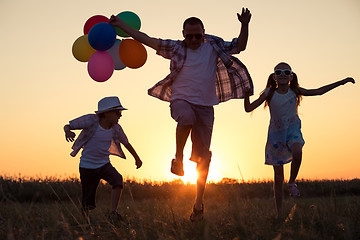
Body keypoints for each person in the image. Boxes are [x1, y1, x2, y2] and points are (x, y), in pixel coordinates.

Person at [109, 8, 253, 221]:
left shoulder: (213, 44)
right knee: (186, 118)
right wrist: (121, 26)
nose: (194, 39)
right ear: (183, 33)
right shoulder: (175, 47)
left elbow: (239, 46)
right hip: (181, 100)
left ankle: (198, 205)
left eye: (198, 35)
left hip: (206, 106)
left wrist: (244, 24)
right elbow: (147, 39)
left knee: (204, 159)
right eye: (189, 36)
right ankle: (178, 159)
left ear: (204, 32)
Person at [244, 62, 355, 219]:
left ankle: (292, 182)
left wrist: (341, 81)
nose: (282, 74)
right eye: (279, 72)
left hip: (292, 130)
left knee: (297, 150)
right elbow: (249, 108)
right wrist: (246, 95)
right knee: (277, 178)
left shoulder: (294, 91)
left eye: (286, 72)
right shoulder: (269, 92)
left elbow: (319, 91)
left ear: (291, 76)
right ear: (274, 76)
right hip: (276, 137)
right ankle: (280, 214)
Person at [63, 96, 142, 223]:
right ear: (106, 113)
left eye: (120, 112)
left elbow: (126, 143)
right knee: (87, 199)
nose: (120, 115)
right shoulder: (91, 120)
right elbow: (68, 125)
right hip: (87, 167)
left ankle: (113, 213)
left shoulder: (116, 128)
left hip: (104, 165)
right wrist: (67, 132)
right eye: (117, 112)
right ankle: (85, 221)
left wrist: (137, 158)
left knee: (117, 180)